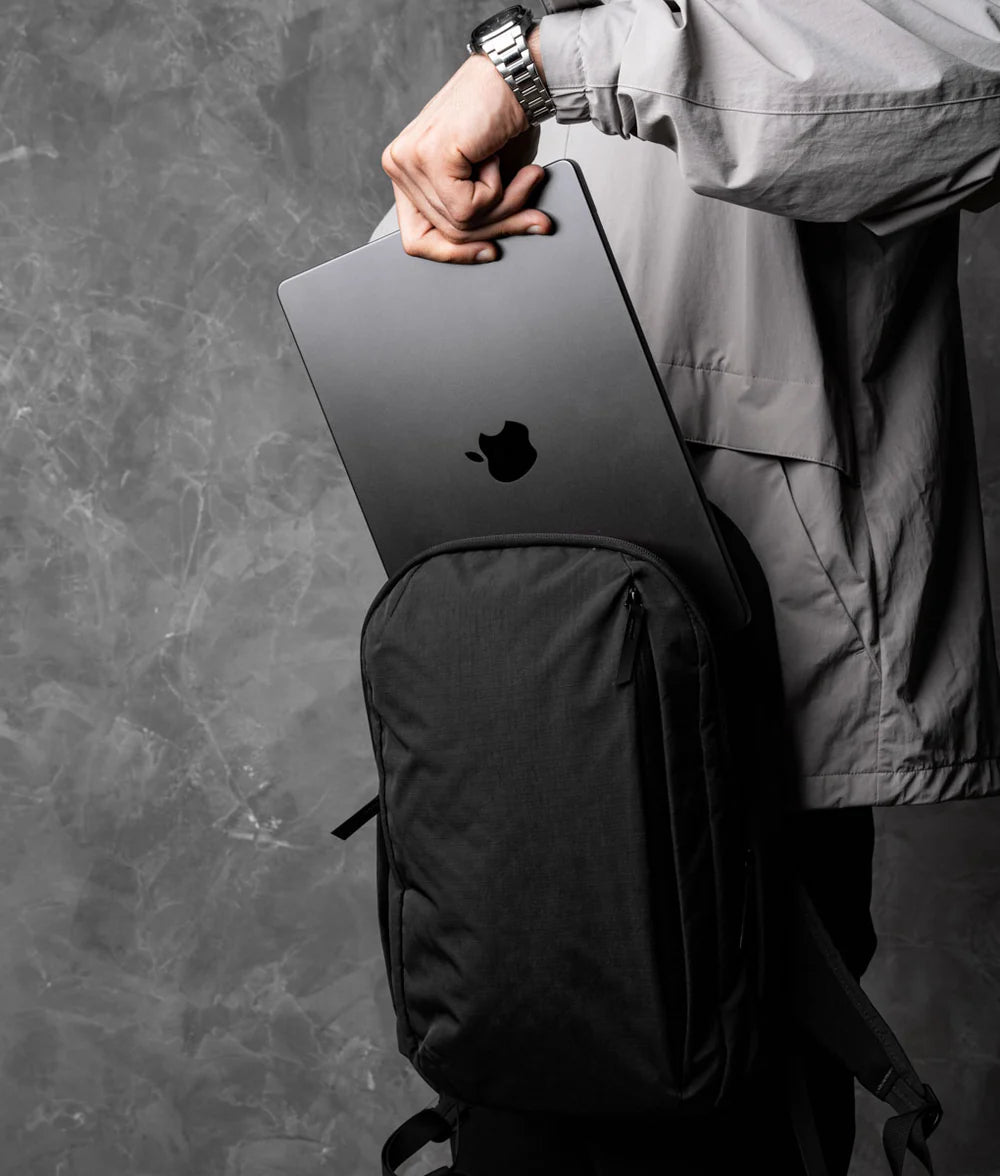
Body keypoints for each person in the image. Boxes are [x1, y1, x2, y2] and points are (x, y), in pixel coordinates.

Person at [374, 2, 1000, 1171]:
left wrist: (540, 67)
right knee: (518, 1116)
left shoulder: (586, 48)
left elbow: (975, 72)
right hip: (520, 692)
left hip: (743, 700)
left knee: (716, 1111)